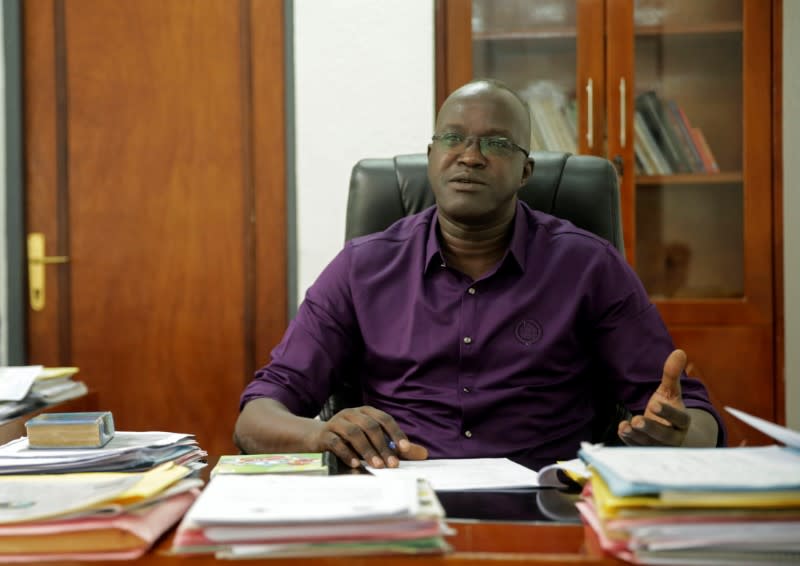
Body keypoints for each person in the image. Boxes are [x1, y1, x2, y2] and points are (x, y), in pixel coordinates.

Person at [235, 79, 724, 470]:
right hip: (398, 494)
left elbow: (697, 419)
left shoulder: (588, 266)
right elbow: (257, 416)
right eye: (452, 138)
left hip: (545, 499)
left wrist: (679, 433)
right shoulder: (362, 267)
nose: (469, 156)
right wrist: (318, 434)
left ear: (526, 171)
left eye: (495, 143)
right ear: (431, 158)